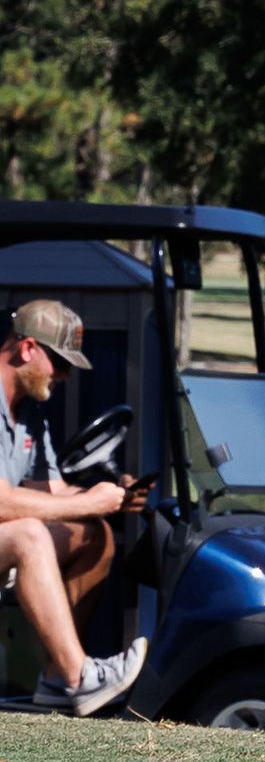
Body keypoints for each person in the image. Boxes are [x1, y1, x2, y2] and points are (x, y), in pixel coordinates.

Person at [0, 301, 149, 714]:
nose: (64, 375)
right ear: (27, 348)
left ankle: (54, 679)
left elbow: (48, 491)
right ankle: (79, 677)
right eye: (61, 363)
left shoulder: (29, 413)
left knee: (92, 533)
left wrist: (108, 496)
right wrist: (86, 501)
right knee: (30, 535)